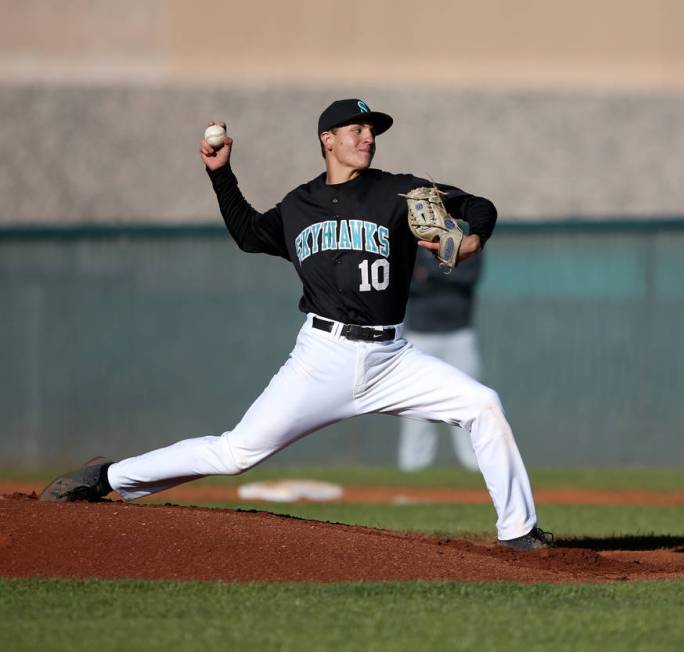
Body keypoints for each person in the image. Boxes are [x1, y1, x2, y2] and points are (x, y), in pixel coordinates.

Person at [39, 98, 552, 551]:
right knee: (237, 452)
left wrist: (470, 239)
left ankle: (518, 532)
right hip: (322, 358)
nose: (367, 137)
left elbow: (479, 205)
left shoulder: (402, 192)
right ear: (327, 140)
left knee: (484, 405)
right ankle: (107, 476)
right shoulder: (299, 206)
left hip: (392, 358)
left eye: (372, 130)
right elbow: (247, 234)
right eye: (356, 129)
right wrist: (221, 174)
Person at [398, 249, 483, 471]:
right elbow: (406, 283)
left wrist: (431, 274)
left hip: (459, 334)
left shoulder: (466, 239)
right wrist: (448, 272)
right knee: (416, 406)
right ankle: (413, 467)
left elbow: (469, 277)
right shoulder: (413, 243)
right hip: (420, 335)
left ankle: (476, 466)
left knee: (468, 401)